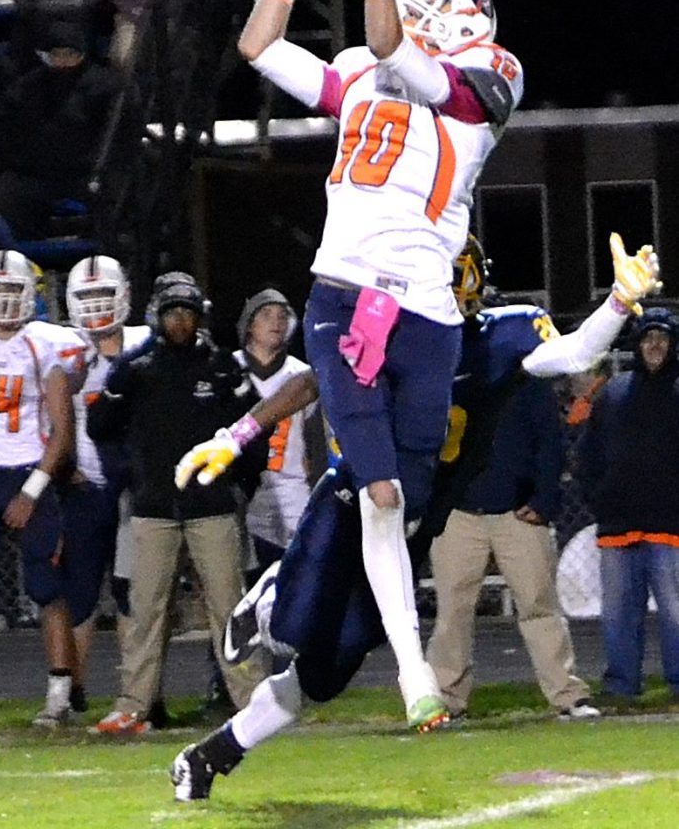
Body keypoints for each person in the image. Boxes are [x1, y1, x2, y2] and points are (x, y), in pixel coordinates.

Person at [170, 231, 660, 801]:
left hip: (418, 518)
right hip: (351, 496)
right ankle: (274, 593)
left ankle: (212, 755)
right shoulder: (388, 325)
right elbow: (315, 378)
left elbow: (576, 353)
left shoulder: (499, 337)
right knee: (292, 629)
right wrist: (241, 432)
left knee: (325, 676)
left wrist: (619, 304)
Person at [230, 0, 526, 732]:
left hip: (430, 315)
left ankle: (337, 623)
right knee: (380, 493)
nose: (429, 17)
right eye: (419, 2)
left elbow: (394, 44)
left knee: (397, 499)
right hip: (344, 294)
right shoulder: (359, 72)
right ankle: (411, 671)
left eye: (442, 8)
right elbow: (257, 46)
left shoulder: (487, 79)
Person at [87, 275, 277, 734]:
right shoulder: (135, 369)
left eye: (187, 313)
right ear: (157, 315)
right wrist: (131, 476)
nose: (180, 321)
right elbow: (99, 427)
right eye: (172, 312)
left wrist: (238, 487)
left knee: (230, 608)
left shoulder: (221, 369)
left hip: (211, 506)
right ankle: (137, 705)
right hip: (153, 508)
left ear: (199, 317)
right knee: (145, 612)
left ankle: (253, 702)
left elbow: (256, 430)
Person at [424, 236, 600, 721]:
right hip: (458, 509)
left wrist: (544, 498)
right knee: (453, 614)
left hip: (515, 508)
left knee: (539, 606)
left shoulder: (516, 342)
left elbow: (547, 433)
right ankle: (446, 700)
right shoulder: (433, 349)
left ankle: (567, 694)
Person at [0, 248, 87, 726]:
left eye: (11, 290)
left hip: (27, 470)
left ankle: (59, 695)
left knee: (46, 586)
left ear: (31, 295)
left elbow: (62, 431)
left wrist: (32, 490)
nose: (2, 301)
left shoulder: (46, 344)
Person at [60, 254, 151, 712]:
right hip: (84, 485)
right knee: (79, 593)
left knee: (132, 593)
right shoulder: (61, 348)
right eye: (87, 296)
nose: (96, 305)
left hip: (136, 487)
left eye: (103, 294)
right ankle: (70, 691)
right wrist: (62, 468)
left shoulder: (147, 344)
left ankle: (136, 693)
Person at [576, 306, 679, 704]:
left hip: (670, 524)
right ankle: (621, 686)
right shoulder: (613, 393)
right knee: (618, 611)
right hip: (618, 524)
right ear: (638, 345)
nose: (655, 346)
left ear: (672, 345)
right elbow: (588, 454)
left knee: (674, 611)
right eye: (648, 338)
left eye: (663, 339)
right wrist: (597, 498)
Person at [0, 20, 121, 238]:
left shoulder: (106, 88)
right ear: (44, 55)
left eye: (71, 54)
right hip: (36, 175)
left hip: (89, 175)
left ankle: (108, 246)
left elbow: (121, 137)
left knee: (119, 192)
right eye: (57, 54)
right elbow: (5, 135)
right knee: (0, 193)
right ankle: (25, 249)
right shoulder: (24, 90)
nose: (64, 62)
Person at [234, 288, 325, 578]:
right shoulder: (228, 369)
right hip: (241, 495)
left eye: (283, 315)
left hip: (292, 492)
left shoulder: (302, 376)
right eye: (266, 315)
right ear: (249, 324)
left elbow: (316, 441)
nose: (276, 322)